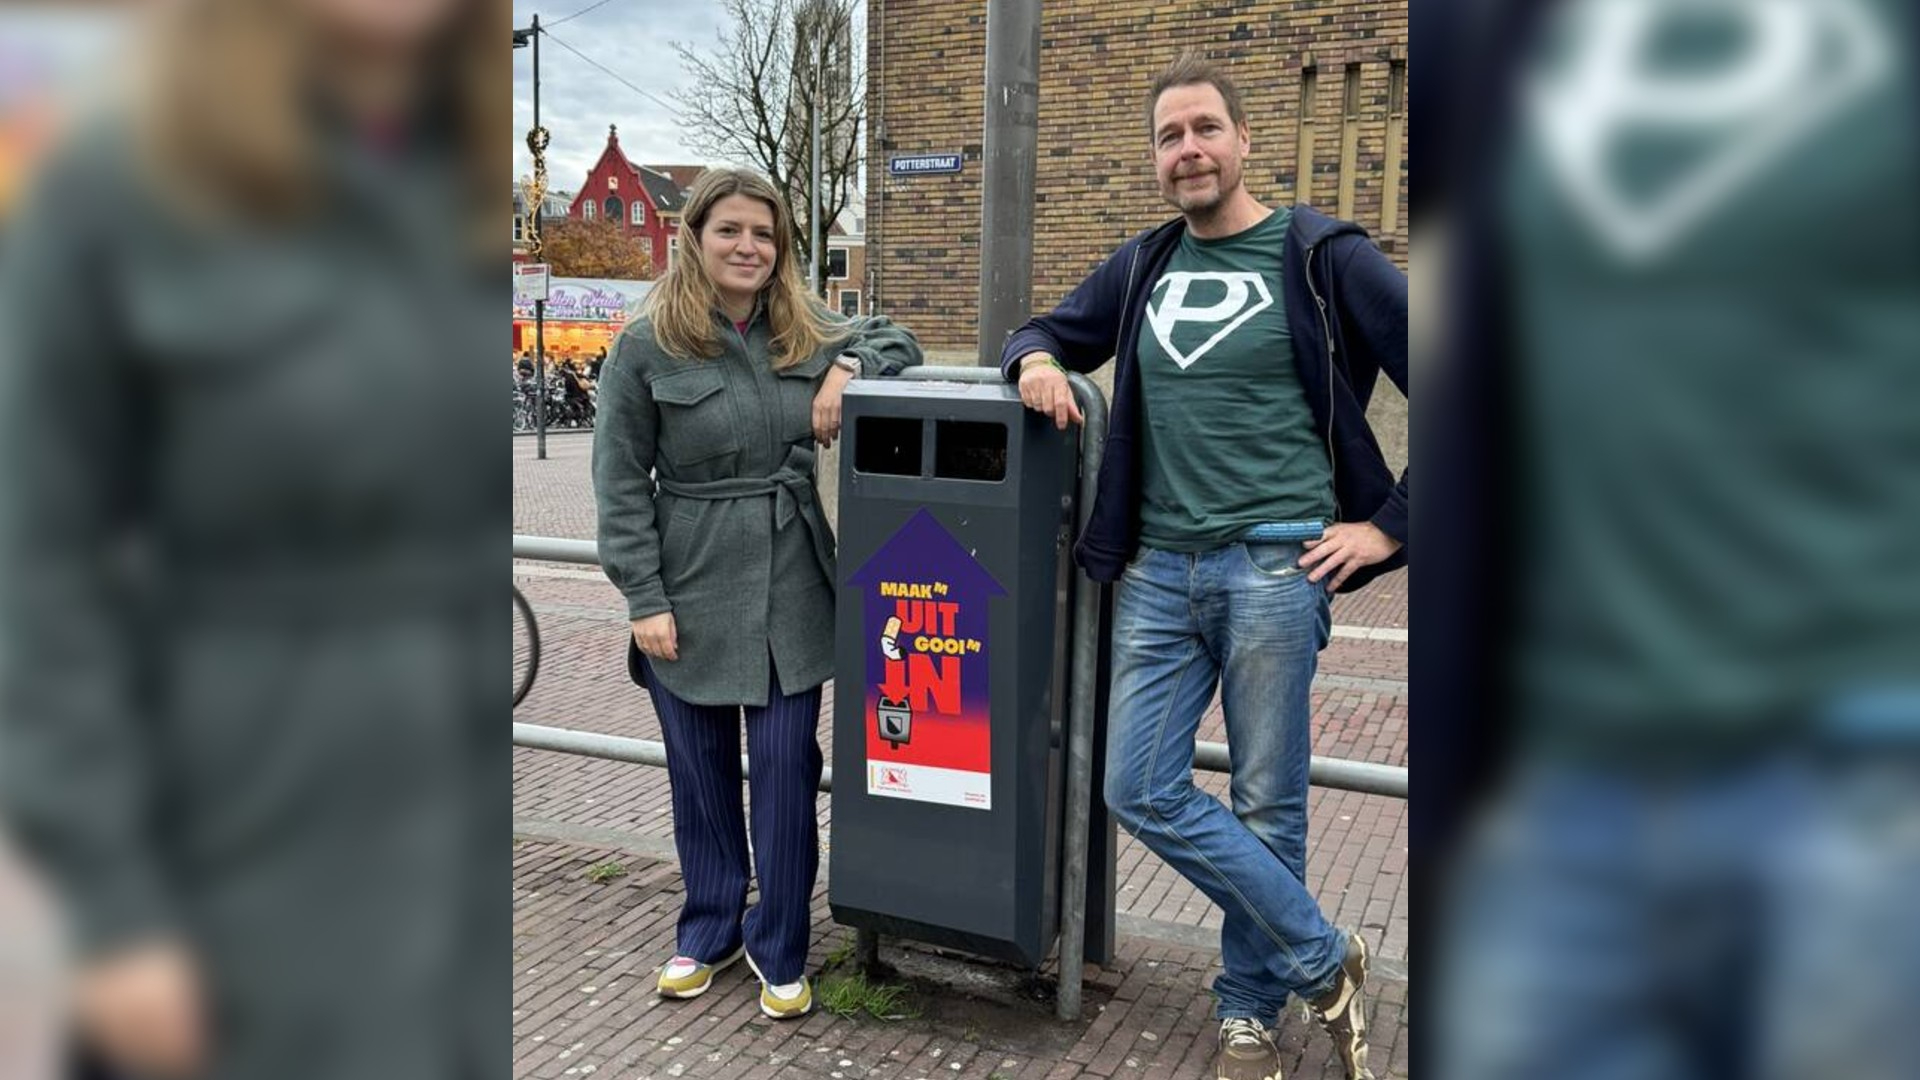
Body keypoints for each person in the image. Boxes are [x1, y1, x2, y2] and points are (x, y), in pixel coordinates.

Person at [0, 2, 501, 1080]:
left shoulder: (458, 185)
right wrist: (113, 912)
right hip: (230, 831)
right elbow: (35, 564)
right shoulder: (117, 186)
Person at [1002, 53, 1406, 1080]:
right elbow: (1044, 328)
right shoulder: (1143, 266)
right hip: (1156, 573)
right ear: (1156, 159)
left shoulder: (1324, 256)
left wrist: (1391, 527)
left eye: (1204, 131)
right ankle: (1326, 957)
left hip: (1279, 570)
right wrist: (1040, 362)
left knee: (1269, 804)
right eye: (1170, 137)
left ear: (1243, 140)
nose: (1189, 151)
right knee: (1135, 785)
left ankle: (1246, 1016)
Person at [593, 168, 921, 1020]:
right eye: (730, 231)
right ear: (694, 238)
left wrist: (846, 366)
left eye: (764, 235)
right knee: (698, 775)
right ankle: (708, 927)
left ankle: (780, 943)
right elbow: (620, 481)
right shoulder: (645, 344)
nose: (748, 247)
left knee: (783, 768)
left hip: (790, 584)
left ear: (782, 251)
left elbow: (902, 341)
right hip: (687, 583)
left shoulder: (803, 330)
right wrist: (643, 596)